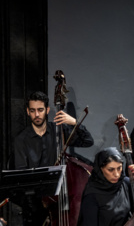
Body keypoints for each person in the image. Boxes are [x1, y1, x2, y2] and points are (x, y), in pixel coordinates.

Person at [13, 91, 94, 225]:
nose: (37, 115)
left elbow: (87, 141)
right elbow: (22, 175)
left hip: (62, 198)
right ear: (28, 111)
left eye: (40, 110)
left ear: (47, 110)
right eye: (32, 111)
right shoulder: (21, 140)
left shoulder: (59, 131)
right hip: (36, 203)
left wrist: (75, 122)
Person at [77, 147, 134, 226]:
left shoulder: (124, 182)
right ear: (100, 169)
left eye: (119, 168)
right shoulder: (91, 195)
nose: (116, 174)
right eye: (111, 170)